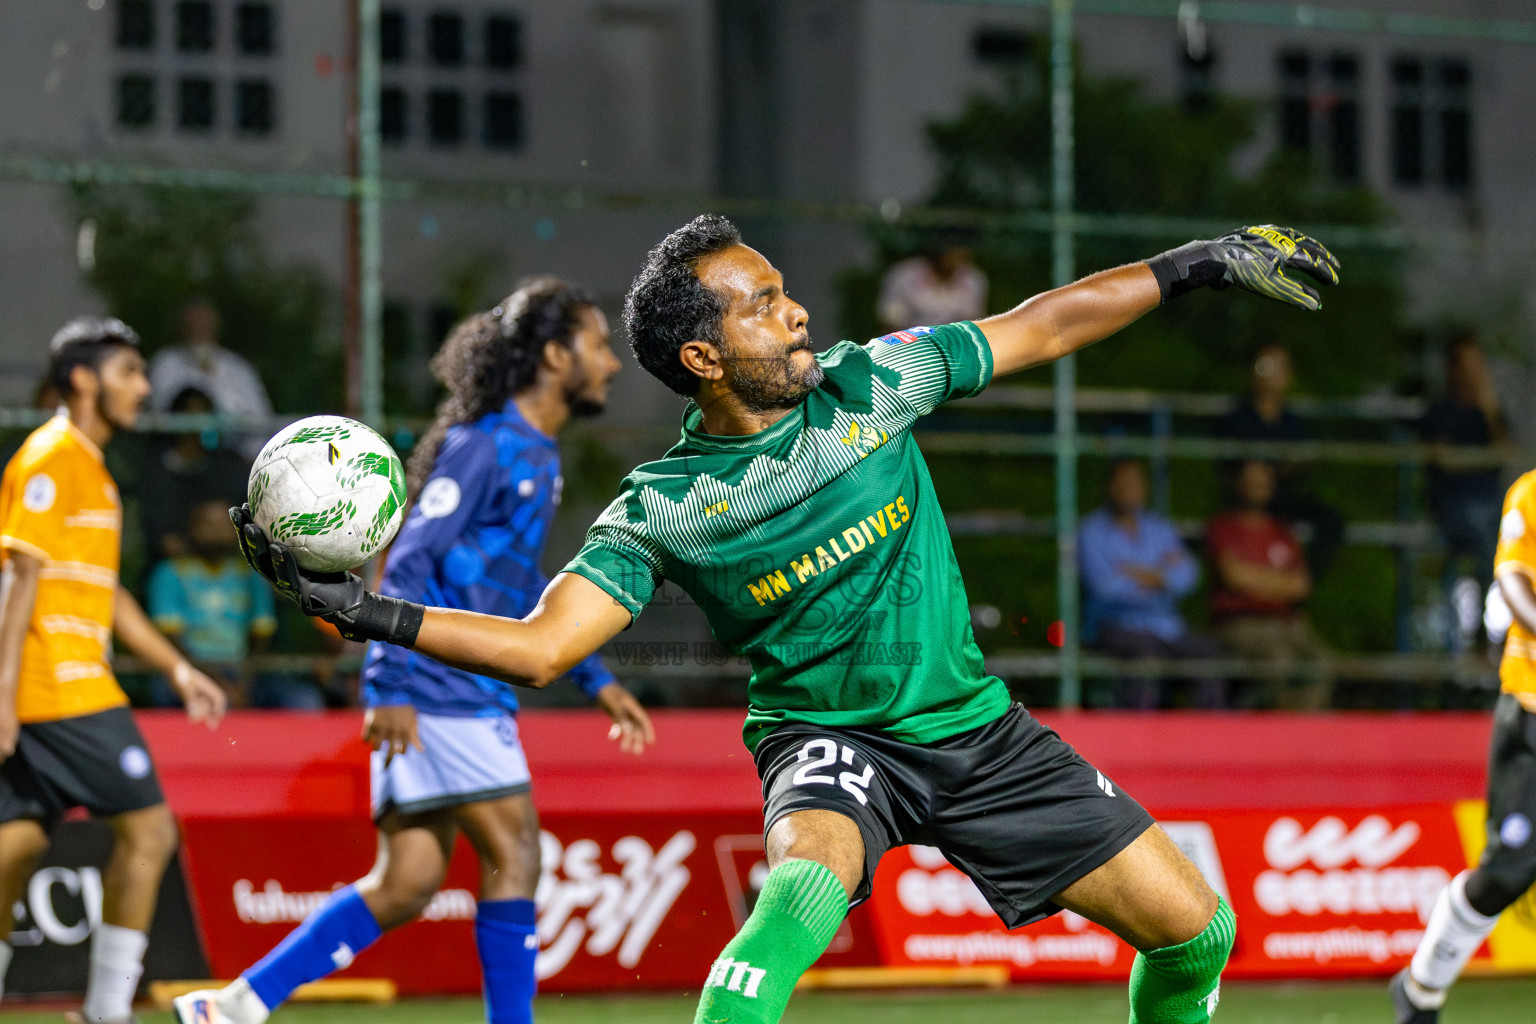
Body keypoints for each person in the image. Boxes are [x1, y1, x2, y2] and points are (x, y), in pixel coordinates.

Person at [232, 220, 1340, 1024]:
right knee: (793, 907)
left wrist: (1198, 262)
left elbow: (1041, 325)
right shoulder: (660, 507)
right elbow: (539, 646)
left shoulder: (876, 383)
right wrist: (366, 611)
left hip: (979, 732)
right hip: (831, 745)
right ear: (704, 357)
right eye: (761, 302)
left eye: (781, 288)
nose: (796, 309)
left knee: (1199, 933)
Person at [175, 279, 654, 1024]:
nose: (611, 364)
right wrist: (387, 682)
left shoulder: (534, 452)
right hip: (443, 686)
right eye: (598, 344)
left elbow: (520, 581)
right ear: (557, 355)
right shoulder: (485, 445)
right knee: (517, 853)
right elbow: (407, 561)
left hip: (452, 686)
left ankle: (236, 1004)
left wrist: (591, 675)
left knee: (406, 882)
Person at [0, 317, 227, 1022]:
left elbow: (108, 594)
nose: (144, 385)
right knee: (152, 831)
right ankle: (104, 1012)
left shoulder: (94, 471)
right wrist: (2, 694)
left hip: (54, 684)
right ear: (83, 379)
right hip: (59, 684)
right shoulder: (51, 458)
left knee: (17, 848)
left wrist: (177, 668)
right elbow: (15, 579)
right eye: (129, 371)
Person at [1389, 465, 1536, 1022]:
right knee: (1506, 872)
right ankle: (1421, 988)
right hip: (1530, 714)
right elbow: (1514, 584)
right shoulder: (1531, 492)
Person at [146, 497, 316, 710]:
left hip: (245, 670)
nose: (217, 531)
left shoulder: (251, 573)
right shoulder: (169, 573)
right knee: (162, 691)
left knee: (304, 700)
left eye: (223, 524)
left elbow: (262, 634)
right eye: (207, 524)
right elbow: (171, 641)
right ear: (190, 529)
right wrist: (219, 683)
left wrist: (243, 681)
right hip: (189, 669)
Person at [1080, 460, 1225, 709]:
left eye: (1136, 483)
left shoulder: (1160, 529)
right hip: (1115, 628)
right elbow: (1104, 587)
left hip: (1168, 629)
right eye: (1123, 483)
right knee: (1147, 659)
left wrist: (1140, 574)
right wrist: (1162, 577)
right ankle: (1141, 740)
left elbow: (1189, 576)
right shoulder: (1091, 531)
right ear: (1108, 488)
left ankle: (1209, 740)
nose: (1130, 489)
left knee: (1208, 653)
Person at [1206, 459, 1333, 710]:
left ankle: (1300, 738)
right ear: (1238, 484)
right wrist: (1277, 583)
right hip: (1241, 623)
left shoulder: (1282, 531)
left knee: (1322, 663)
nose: (1258, 487)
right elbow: (1234, 577)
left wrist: (1255, 579)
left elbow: (1300, 586)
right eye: (1252, 481)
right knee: (1280, 662)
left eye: (1263, 482)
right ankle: (1279, 739)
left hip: (1286, 624)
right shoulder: (1223, 527)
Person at [1216, 342, 1344, 579]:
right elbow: (1229, 464)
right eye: (1266, 366)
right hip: (1244, 498)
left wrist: (1293, 465)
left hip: (1284, 496)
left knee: (1330, 519)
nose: (1271, 374)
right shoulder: (1236, 418)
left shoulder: (1292, 421)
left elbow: (1305, 461)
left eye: (1279, 367)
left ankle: (1304, 582)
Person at [1422, 335, 1509, 617]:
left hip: (1491, 506)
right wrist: (1479, 460)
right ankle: (1487, 633)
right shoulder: (1441, 410)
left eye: (1478, 364)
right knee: (1490, 537)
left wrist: (1489, 406)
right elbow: (1440, 458)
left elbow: (1506, 452)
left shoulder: (1489, 414)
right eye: (1467, 364)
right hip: (1453, 507)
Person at [147, 300, 273, 458]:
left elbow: (261, 416)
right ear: (182, 328)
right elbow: (162, 411)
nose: (200, 329)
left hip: (239, 458)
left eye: (205, 324)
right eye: (194, 324)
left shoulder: (238, 367)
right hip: (182, 460)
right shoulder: (165, 363)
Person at [139, 387, 254, 560]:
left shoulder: (227, 464)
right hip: (179, 567)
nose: (198, 427)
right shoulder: (157, 473)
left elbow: (245, 525)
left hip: (232, 566)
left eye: (205, 415)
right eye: (191, 417)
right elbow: (166, 541)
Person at [876, 233, 988, 333]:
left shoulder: (974, 279)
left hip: (953, 349)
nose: (956, 257)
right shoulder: (902, 275)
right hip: (908, 346)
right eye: (951, 249)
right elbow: (890, 323)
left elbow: (972, 326)